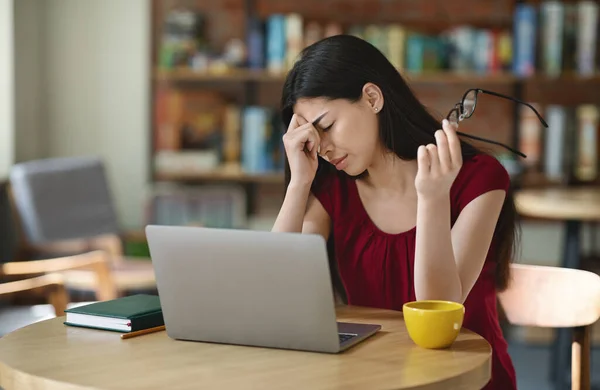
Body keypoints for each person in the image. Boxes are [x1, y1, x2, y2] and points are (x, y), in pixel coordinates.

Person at [272, 34, 519, 389]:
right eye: (311, 135)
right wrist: (299, 183)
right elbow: (276, 287)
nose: (322, 147)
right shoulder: (332, 190)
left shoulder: (480, 178)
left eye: (326, 126)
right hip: (374, 378)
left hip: (466, 380)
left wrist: (433, 199)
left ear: (372, 98)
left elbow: (439, 309)